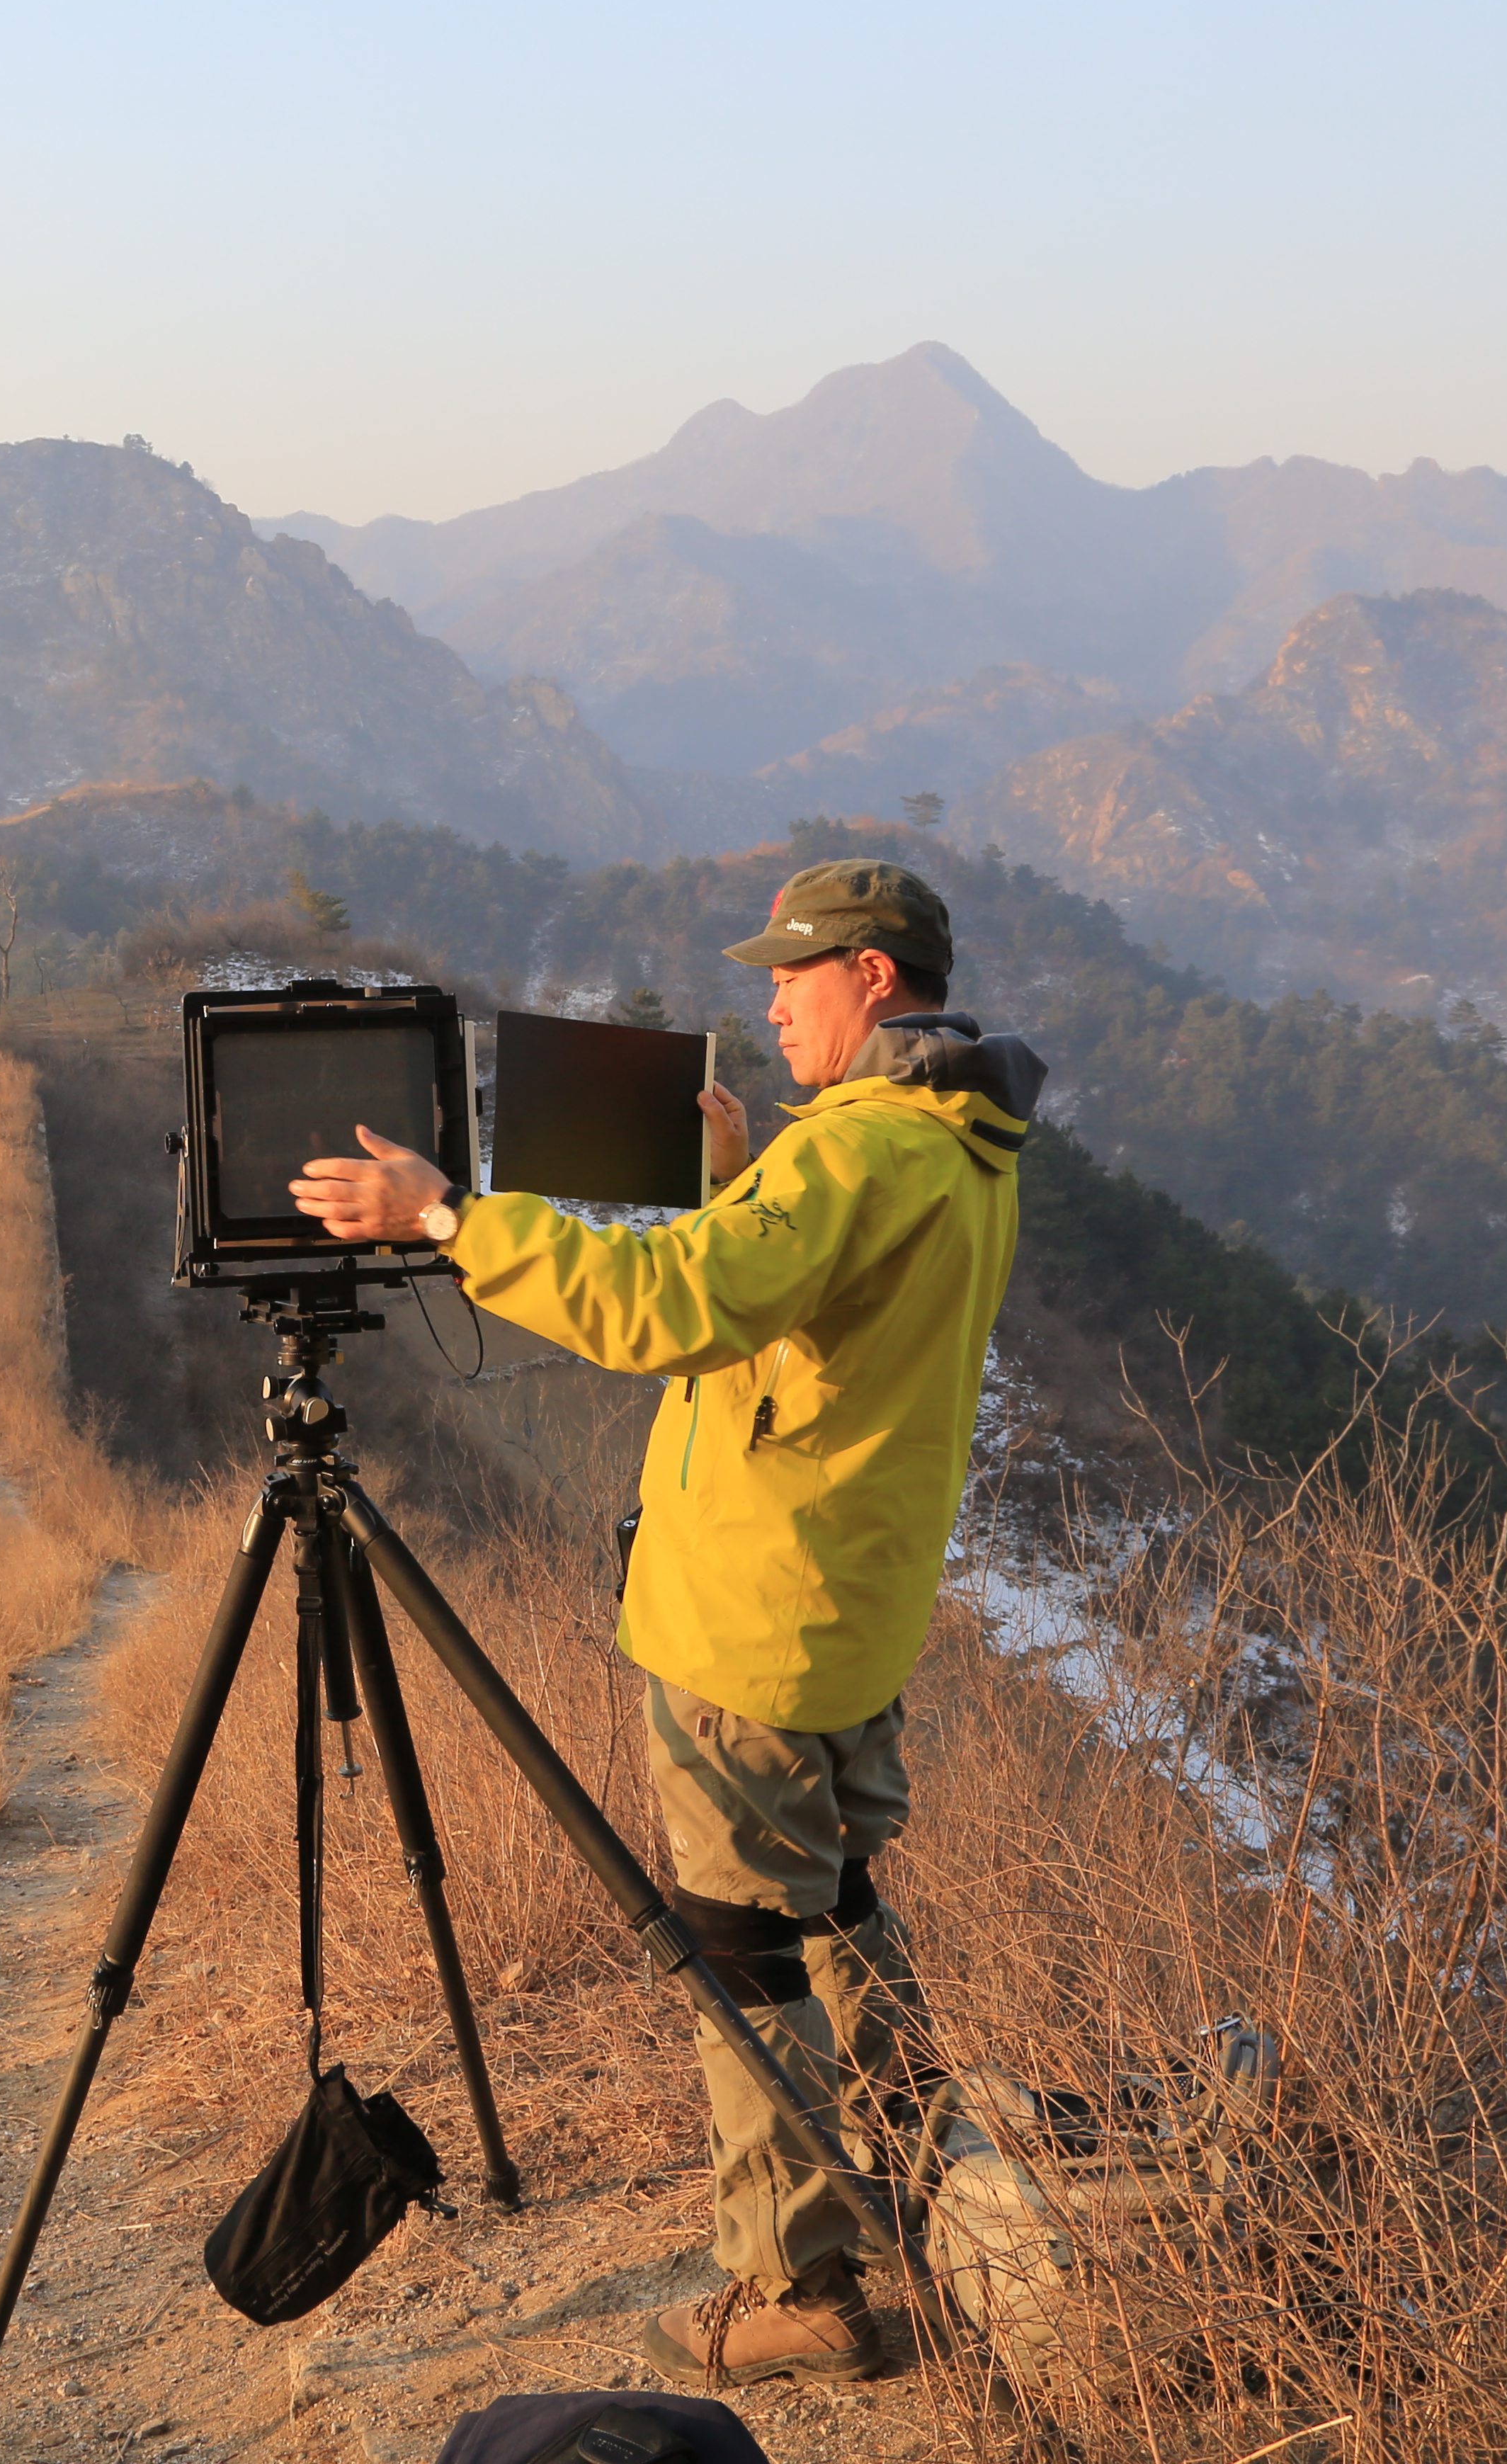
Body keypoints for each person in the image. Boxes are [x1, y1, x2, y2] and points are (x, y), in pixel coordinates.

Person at [290, 859, 1045, 2388]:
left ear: (874, 980)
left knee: (739, 1958)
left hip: (750, 1631)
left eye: (793, 976)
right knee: (834, 1913)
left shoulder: (861, 1158)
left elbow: (665, 1312)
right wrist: (730, 1186)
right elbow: (805, 1325)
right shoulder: (956, 1146)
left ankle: (798, 2290)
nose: (768, 1003)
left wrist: (447, 1217)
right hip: (846, 1609)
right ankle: (920, 2186)